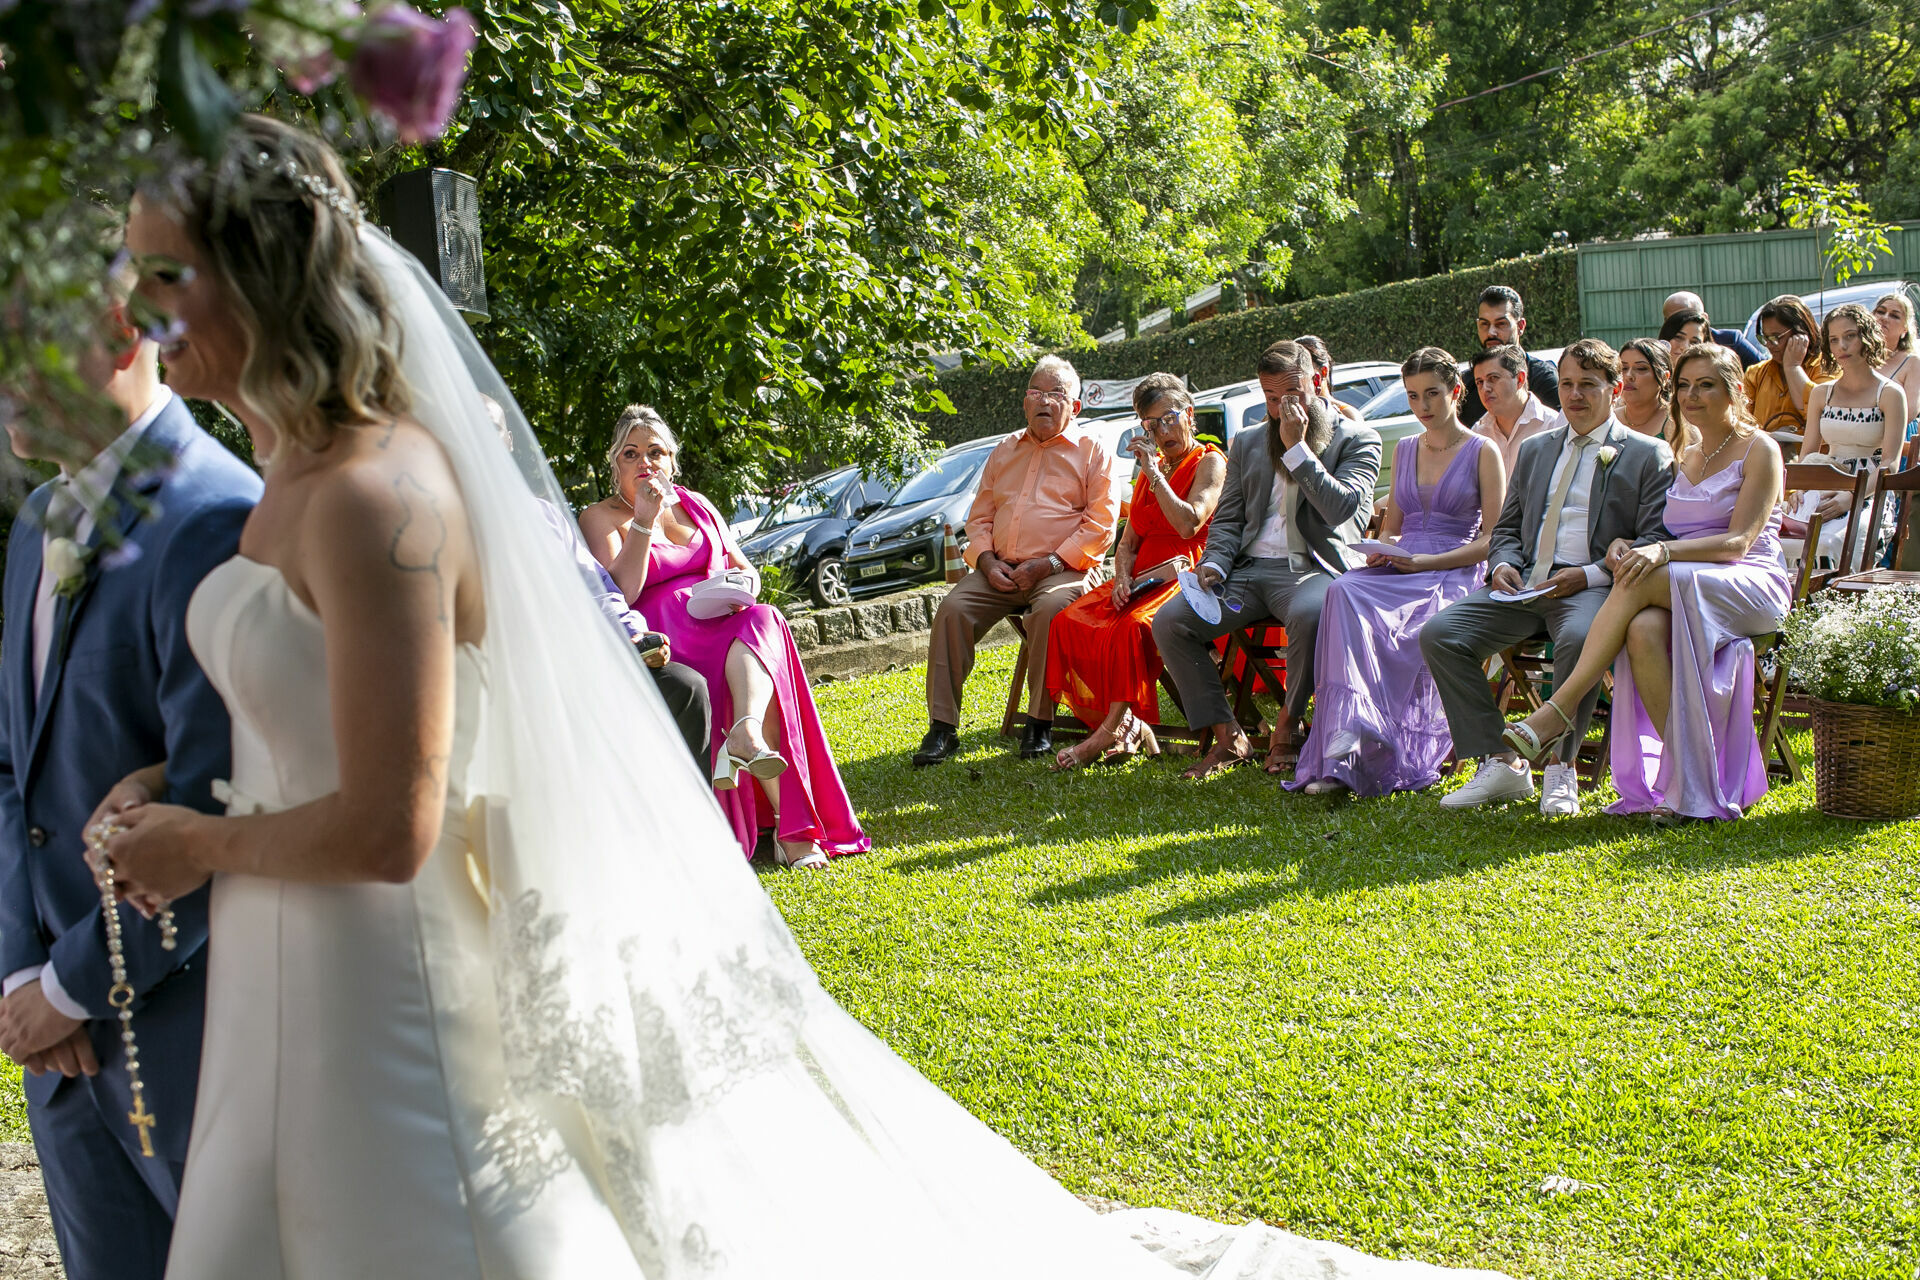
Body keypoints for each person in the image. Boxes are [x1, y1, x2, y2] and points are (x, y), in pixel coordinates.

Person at [92, 115, 1493, 1280]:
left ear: (259, 275)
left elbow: (395, 821)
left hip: (386, 947)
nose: (146, 312)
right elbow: (312, 709)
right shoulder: (283, 476)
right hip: (286, 934)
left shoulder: (378, 495)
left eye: (168, 275)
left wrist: (200, 845)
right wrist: (180, 790)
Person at [0, 274, 260, 1280]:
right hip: (57, 1053)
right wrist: (24, 974)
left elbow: (221, 795)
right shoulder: (35, 523)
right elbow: (11, 766)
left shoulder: (216, 516)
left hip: (193, 1029)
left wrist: (78, 985)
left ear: (118, 335)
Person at [1502, 344, 1791, 823]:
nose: (1691, 396)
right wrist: (1627, 543)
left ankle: (1559, 707)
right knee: (1640, 630)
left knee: (1640, 576)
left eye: (1706, 385)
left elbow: (1738, 542)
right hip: (1682, 579)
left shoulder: (1760, 448)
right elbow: (1666, 531)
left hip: (1748, 580)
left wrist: (1661, 552)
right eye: (1684, 385)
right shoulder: (1687, 453)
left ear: (1735, 390)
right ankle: (1690, 785)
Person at [580, 404, 867, 869]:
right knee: (760, 650)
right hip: (667, 637)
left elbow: (744, 568)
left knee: (766, 617)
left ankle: (747, 733)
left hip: (719, 620)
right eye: (631, 454)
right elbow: (620, 592)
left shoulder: (696, 504)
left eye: (655, 451)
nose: (644, 462)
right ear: (616, 466)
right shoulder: (601, 516)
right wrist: (644, 520)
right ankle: (791, 829)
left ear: (672, 461)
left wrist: (739, 589)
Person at [1419, 339, 1673, 816]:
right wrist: (1502, 565)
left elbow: (1654, 538)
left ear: (1615, 389)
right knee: (1440, 634)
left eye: (1588, 385)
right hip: (1523, 584)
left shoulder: (1648, 454)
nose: (1574, 395)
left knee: (1578, 639)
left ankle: (1562, 767)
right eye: (1567, 384)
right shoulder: (1536, 450)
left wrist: (1591, 574)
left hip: (1592, 589)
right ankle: (1502, 761)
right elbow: (1507, 527)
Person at [1152, 340, 1381, 779]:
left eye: (1292, 395)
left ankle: (1288, 725)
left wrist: (1298, 450)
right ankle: (1228, 736)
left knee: (1311, 615)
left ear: (1317, 380)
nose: (1281, 409)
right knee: (1170, 622)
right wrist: (1214, 563)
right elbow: (1229, 516)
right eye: (1271, 399)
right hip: (1248, 570)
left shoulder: (1357, 438)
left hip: (1313, 569)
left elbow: (1341, 510)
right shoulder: (1249, 441)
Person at [1288, 348, 1504, 797]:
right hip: (1404, 564)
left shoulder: (1484, 451)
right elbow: (1392, 528)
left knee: (1392, 619)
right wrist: (1381, 550)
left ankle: (1372, 736)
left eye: (1432, 394)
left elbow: (1493, 539)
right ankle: (1349, 734)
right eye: (1412, 396)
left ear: (1456, 392)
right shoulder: (1405, 448)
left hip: (1453, 569)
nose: (1422, 405)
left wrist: (1425, 562)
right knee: (1343, 589)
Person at [913, 356, 1119, 766]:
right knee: (953, 610)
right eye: (1036, 392)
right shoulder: (1004, 450)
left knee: (1048, 613)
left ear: (1075, 406)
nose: (1044, 400)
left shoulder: (1093, 451)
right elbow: (979, 519)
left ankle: (1039, 723)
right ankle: (942, 728)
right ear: (1025, 402)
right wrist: (987, 562)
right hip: (999, 571)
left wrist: (1048, 564)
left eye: (1056, 394)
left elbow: (1101, 524)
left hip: (1063, 571)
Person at [1044, 374, 1226, 769]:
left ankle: (1108, 732)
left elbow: (1189, 524)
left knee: (1129, 628)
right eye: (1151, 424)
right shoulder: (1149, 471)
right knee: (1069, 620)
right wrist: (1122, 578)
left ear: (1189, 415)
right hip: (1142, 578)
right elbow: (1126, 543)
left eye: (1169, 419)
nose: (1162, 431)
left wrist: (1155, 474)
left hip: (1186, 575)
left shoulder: (1209, 462)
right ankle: (1127, 723)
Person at [1788, 303, 1909, 570]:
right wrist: (1798, 489)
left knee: (1831, 542)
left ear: (1867, 336)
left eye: (1850, 336)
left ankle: (1838, 594)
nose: (1841, 346)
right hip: (1823, 480)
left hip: (1870, 489)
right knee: (1784, 537)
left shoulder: (1890, 394)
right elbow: (1808, 453)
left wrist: (1852, 496)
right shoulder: (1822, 393)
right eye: (1833, 339)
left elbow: (1890, 463)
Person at [1456, 285, 1562, 428]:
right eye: (1484, 324)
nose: (1491, 332)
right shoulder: (1466, 385)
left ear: (1521, 326)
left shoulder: (1544, 379)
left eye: (1501, 324)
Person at [1743, 294, 1835, 436]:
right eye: (1765, 338)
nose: (1769, 345)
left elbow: (1823, 415)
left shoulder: (1828, 367)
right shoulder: (1756, 374)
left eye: (1776, 337)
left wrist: (1793, 367)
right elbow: (1742, 423)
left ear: (1801, 334)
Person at [1468, 343, 1554, 474]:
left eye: (1493, 378)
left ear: (1520, 379)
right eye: (1479, 382)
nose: (1485, 388)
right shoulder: (1477, 433)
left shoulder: (1552, 426)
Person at [1661, 290, 1767, 368]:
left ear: (1704, 318)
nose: (1685, 346)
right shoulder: (1658, 352)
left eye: (1689, 317)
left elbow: (1766, 369)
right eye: (1673, 320)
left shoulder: (1731, 342)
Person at [1615, 337, 1678, 453]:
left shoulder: (1676, 422)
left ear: (1664, 377)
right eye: (1623, 368)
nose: (1628, 376)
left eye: (1641, 368)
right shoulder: (1609, 419)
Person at [1871, 291, 1920, 419]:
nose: (1885, 318)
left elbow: (1910, 412)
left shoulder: (1912, 362)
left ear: (1905, 329)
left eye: (1894, 316)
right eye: (1881, 312)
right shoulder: (1857, 355)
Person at [1294, 334, 1363, 422]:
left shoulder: (1347, 414)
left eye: (1304, 370)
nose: (1298, 377)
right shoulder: (1291, 412)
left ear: (1324, 371)